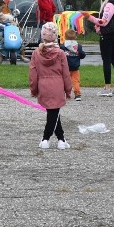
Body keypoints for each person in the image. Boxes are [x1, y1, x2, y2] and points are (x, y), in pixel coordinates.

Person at [29, 22, 72, 150]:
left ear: (42, 36)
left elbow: (33, 74)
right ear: (55, 36)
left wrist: (34, 88)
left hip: (43, 85)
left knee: (53, 112)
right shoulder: (60, 53)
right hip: (57, 86)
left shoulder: (36, 53)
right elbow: (66, 74)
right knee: (53, 113)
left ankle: (61, 139)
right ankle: (45, 138)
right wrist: (68, 90)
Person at [85, 0, 114, 97]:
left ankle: (107, 88)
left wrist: (89, 17)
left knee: (107, 61)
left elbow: (103, 22)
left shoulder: (109, 4)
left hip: (108, 35)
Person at [59, 28, 86, 101]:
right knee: (75, 81)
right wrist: (82, 54)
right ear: (75, 37)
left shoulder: (62, 46)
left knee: (64, 80)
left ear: (65, 37)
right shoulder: (78, 46)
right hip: (75, 67)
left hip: (65, 67)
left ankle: (65, 94)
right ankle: (77, 94)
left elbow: (60, 56)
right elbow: (82, 56)